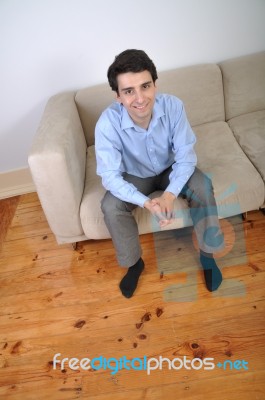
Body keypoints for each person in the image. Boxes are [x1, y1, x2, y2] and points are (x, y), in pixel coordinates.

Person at [95, 49, 224, 298]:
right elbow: (110, 176)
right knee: (110, 205)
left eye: (145, 86)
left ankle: (208, 256)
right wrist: (146, 203)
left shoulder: (173, 106)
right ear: (118, 97)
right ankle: (134, 263)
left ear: (155, 85)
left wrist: (169, 195)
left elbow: (186, 157)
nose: (140, 98)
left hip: (170, 167)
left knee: (203, 186)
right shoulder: (107, 123)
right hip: (135, 174)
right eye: (129, 91)